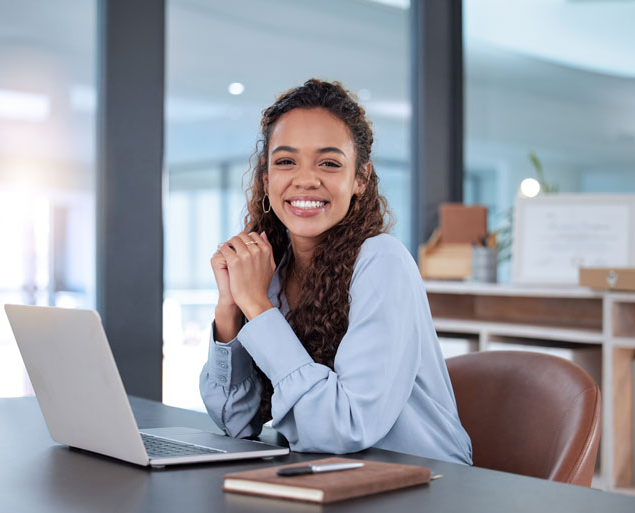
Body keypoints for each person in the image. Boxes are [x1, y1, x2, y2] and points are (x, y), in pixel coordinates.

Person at [200, 79, 472, 465]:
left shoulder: (383, 262)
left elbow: (345, 427)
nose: (306, 179)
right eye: (285, 161)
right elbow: (235, 422)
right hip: (331, 476)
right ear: (266, 180)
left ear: (360, 179)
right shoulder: (271, 270)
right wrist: (230, 307)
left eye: (329, 163)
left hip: (421, 483)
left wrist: (258, 309)